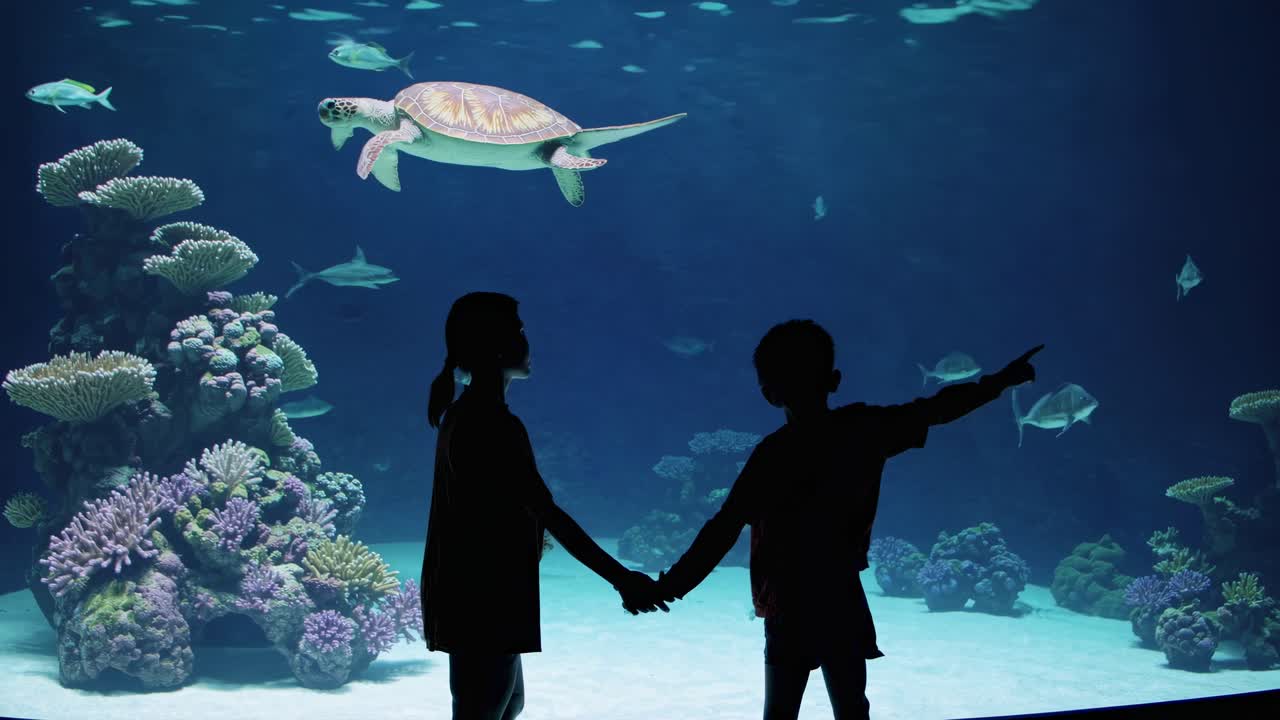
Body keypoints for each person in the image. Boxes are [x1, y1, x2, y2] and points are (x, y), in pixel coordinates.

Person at [654, 319, 1042, 720]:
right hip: (841, 596)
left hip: (788, 603)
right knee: (853, 710)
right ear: (835, 380)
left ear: (769, 394)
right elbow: (937, 409)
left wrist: (668, 587)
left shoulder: (771, 456)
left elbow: (723, 527)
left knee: (779, 714)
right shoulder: (864, 429)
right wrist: (1000, 381)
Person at [422, 292, 668, 720]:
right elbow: (547, 511)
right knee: (482, 708)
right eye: (519, 331)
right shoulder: (492, 422)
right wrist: (621, 577)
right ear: (497, 346)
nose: (527, 341)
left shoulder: (464, 415)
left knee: (508, 703)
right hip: (482, 591)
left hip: (480, 586)